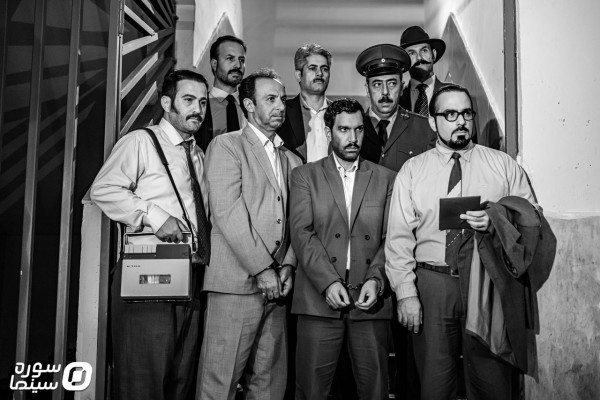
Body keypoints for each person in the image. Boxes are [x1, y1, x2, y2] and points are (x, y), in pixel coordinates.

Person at [385, 84, 537, 399]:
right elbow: (399, 238)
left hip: (487, 281)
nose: (461, 122)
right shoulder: (413, 171)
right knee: (435, 384)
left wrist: (497, 220)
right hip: (433, 285)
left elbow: (531, 216)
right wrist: (405, 293)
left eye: (466, 113)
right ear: (433, 121)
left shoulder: (502, 165)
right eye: (451, 114)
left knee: (492, 381)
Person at [90, 69, 211, 400]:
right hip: (149, 273)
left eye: (202, 102)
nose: (198, 109)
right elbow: (103, 190)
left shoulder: (198, 154)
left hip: (192, 275)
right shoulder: (140, 141)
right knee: (142, 381)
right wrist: (155, 216)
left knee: (180, 382)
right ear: (167, 103)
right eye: (189, 100)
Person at [196, 68, 302, 400]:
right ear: (248, 105)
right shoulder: (227, 146)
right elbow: (228, 213)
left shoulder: (291, 158)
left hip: (278, 286)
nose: (280, 106)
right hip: (235, 284)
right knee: (219, 383)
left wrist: (288, 265)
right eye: (270, 99)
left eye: (282, 99)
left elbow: (298, 220)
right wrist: (262, 269)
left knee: (269, 385)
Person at [289, 98, 395, 400]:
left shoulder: (386, 178)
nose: (353, 138)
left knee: (375, 391)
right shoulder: (305, 176)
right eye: (344, 129)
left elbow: (391, 238)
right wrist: (328, 282)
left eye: (359, 129)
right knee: (311, 391)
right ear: (328, 132)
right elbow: (302, 234)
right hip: (318, 299)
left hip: (370, 300)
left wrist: (376, 280)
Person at [356, 43, 436, 173]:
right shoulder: (354, 128)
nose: (385, 92)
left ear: (402, 88)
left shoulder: (425, 128)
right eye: (377, 84)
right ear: (367, 89)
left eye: (392, 83)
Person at [277, 43, 332, 163]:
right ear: (298, 75)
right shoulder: (282, 112)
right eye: (312, 68)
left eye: (324, 69)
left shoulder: (340, 112)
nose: (320, 73)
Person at [195, 35, 247, 151]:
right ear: (214, 64)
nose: (238, 65)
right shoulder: (198, 106)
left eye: (241, 60)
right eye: (230, 58)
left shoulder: (252, 106)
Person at [399, 26, 452, 116]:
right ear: (405, 61)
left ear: (434, 54)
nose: (419, 57)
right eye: (412, 53)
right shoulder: (397, 101)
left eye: (424, 50)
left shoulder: (452, 94)